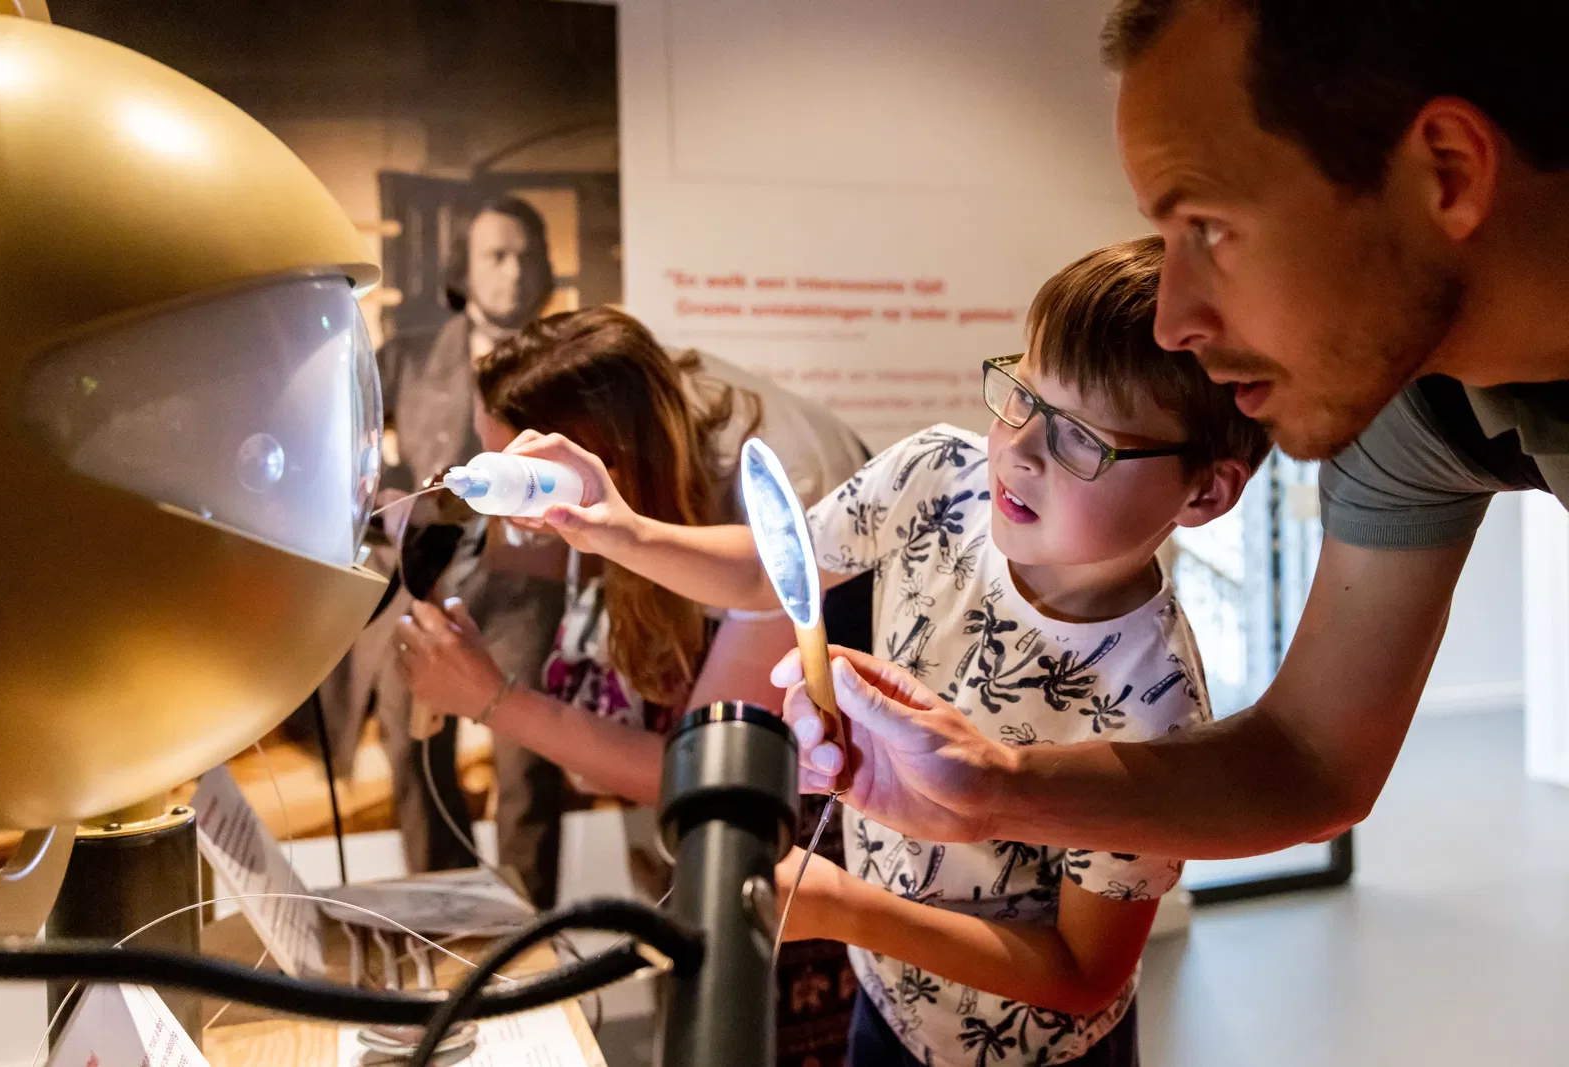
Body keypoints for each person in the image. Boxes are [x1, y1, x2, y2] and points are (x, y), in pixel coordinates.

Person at [740, 0, 1569, 863]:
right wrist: (992, 787)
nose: (1173, 319)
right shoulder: (1409, 413)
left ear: (1447, 170)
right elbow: (1312, 756)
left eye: (1208, 227)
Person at [504, 238, 1269, 1066]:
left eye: (1081, 437)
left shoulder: (1154, 709)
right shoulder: (940, 476)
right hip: (888, 1000)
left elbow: (1084, 974)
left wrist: (845, 909)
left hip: (1029, 1053)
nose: (1019, 448)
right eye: (1022, 394)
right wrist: (620, 528)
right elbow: (777, 567)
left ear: (1205, 489)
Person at [393, 305, 872, 1067]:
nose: (511, 518)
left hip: (813, 834)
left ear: (588, 461)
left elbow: (697, 771)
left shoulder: (776, 502)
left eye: (513, 484)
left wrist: (491, 697)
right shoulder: (634, 412)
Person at [320, 196, 563, 888]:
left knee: (529, 759)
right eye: (496, 254)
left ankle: (529, 932)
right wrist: (385, 497)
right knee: (412, 745)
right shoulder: (409, 357)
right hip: (425, 582)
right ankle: (445, 912)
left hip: (524, 592)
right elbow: (350, 451)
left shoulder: (566, 361)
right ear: (465, 266)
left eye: (526, 256)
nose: (513, 272)